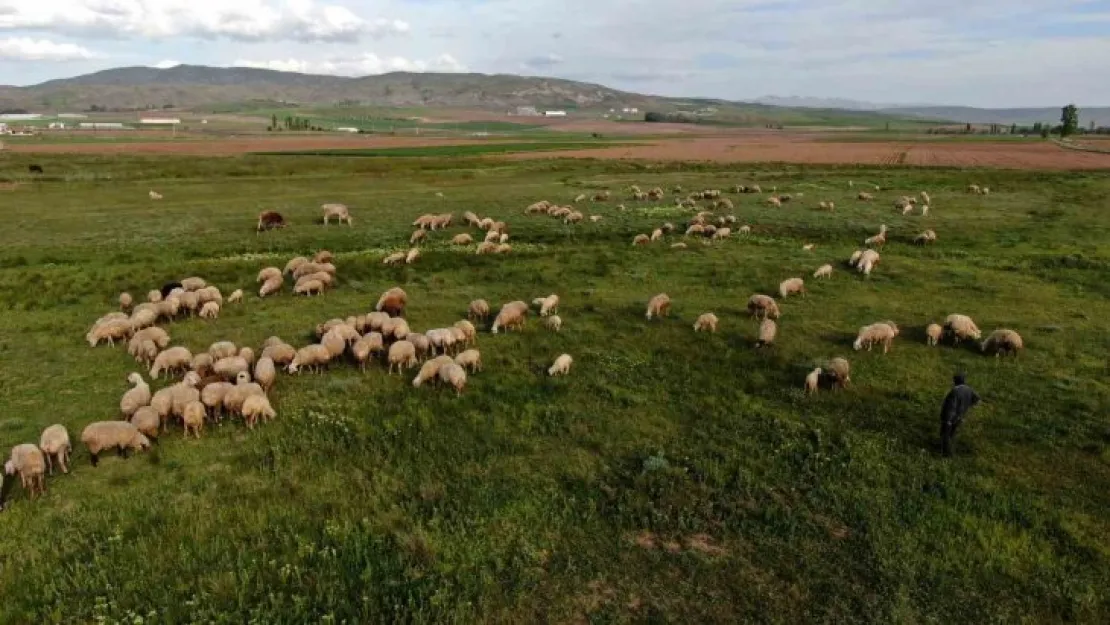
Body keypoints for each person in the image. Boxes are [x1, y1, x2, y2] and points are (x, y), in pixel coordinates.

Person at [940, 372, 981, 457]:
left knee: (945, 435)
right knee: (952, 434)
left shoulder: (955, 391)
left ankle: (947, 454)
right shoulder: (969, 389)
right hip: (960, 416)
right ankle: (950, 449)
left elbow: (951, 406)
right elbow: (977, 400)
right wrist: (968, 405)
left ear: (955, 381)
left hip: (950, 417)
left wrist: (947, 420)